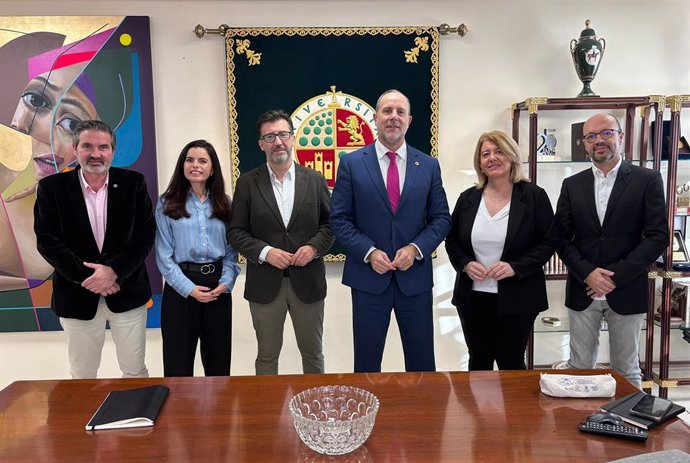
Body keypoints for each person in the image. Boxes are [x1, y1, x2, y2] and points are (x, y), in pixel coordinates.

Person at [329, 89, 451, 373]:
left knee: (422, 365)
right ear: (375, 118)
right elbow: (339, 219)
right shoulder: (351, 163)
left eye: (399, 112)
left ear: (409, 119)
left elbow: (441, 219)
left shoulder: (429, 165)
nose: (393, 117)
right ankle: (367, 418)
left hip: (415, 281)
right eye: (387, 111)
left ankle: (422, 418)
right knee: (367, 365)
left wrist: (416, 249)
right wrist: (369, 252)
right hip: (368, 280)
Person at [33, 120, 155, 379]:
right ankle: (83, 421)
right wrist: (90, 278)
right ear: (75, 149)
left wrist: (114, 272)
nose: (96, 154)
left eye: (103, 147)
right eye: (87, 146)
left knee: (134, 370)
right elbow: (47, 241)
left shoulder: (134, 183)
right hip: (77, 296)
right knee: (82, 374)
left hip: (127, 292)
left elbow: (145, 234)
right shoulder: (52, 188)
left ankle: (134, 419)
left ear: (113, 150)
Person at [553, 113, 668, 388]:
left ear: (620, 136)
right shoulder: (572, 185)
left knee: (626, 370)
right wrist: (588, 273)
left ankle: (629, 428)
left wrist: (613, 277)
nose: (598, 141)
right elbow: (559, 237)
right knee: (580, 369)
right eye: (591, 136)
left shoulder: (647, 180)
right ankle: (581, 427)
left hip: (627, 289)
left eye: (606, 133)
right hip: (583, 289)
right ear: (585, 144)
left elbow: (657, 236)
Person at [228, 109, 334, 375]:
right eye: (270, 136)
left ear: (293, 138)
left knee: (313, 355)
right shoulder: (247, 184)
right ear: (261, 144)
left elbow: (331, 225)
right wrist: (265, 252)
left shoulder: (315, 180)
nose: (278, 141)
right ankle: (268, 416)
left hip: (308, 283)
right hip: (265, 285)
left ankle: (316, 413)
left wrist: (313, 248)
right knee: (266, 356)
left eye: (283, 134)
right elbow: (236, 231)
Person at [445, 130, 556, 370]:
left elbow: (548, 242)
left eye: (499, 151)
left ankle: (516, 410)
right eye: (486, 154)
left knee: (511, 362)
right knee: (478, 360)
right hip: (473, 296)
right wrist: (465, 264)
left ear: (512, 157)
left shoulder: (534, 197)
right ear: (480, 164)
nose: (492, 158)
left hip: (519, 296)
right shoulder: (468, 199)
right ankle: (478, 410)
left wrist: (515, 267)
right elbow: (452, 240)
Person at [155, 140, 240, 377]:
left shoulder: (225, 203)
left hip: (218, 289)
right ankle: (180, 415)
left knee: (218, 365)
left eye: (202, 161)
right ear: (182, 166)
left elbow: (232, 251)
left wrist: (226, 283)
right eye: (189, 160)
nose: (195, 165)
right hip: (180, 289)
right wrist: (189, 289)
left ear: (212, 168)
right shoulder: (166, 203)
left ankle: (218, 414)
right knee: (177, 366)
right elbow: (164, 256)